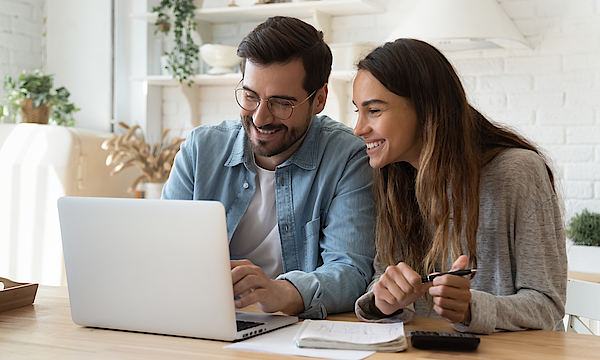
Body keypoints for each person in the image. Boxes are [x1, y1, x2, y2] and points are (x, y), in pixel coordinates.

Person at [162, 16, 376, 319]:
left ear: (319, 99)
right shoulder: (200, 149)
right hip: (202, 320)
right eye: (250, 96)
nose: (260, 118)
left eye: (281, 103)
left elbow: (351, 272)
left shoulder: (347, 159)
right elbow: (162, 251)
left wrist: (281, 292)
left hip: (294, 330)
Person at [352, 38, 567, 334]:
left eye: (374, 111)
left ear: (426, 108)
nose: (358, 128)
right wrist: (384, 301)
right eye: (357, 112)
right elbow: (383, 278)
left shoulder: (518, 172)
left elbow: (548, 306)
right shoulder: (396, 179)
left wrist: (471, 309)